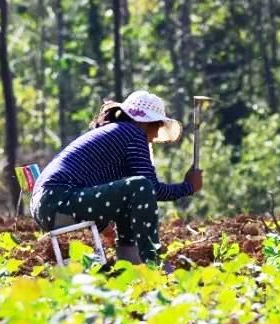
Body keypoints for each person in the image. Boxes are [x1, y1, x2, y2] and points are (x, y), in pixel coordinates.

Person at [30, 90, 202, 265]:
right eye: (158, 127)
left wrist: (105, 227)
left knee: (132, 191)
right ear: (151, 123)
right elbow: (152, 189)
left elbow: (101, 186)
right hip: (58, 201)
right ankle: (151, 261)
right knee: (141, 186)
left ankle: (130, 260)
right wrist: (188, 187)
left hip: (45, 207)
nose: (156, 135)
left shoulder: (116, 133)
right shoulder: (133, 135)